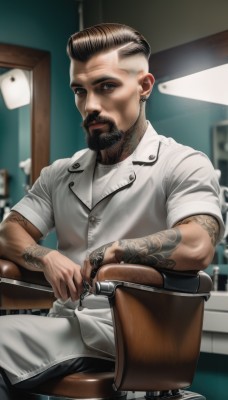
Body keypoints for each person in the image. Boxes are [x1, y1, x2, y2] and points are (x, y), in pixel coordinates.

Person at [0, 22, 224, 399]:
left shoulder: (182, 163)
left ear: (144, 86)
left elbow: (198, 242)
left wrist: (116, 249)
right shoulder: (60, 174)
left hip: (133, 335)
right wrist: (47, 257)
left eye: (106, 87)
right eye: (79, 91)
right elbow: (9, 232)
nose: (90, 106)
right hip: (66, 328)